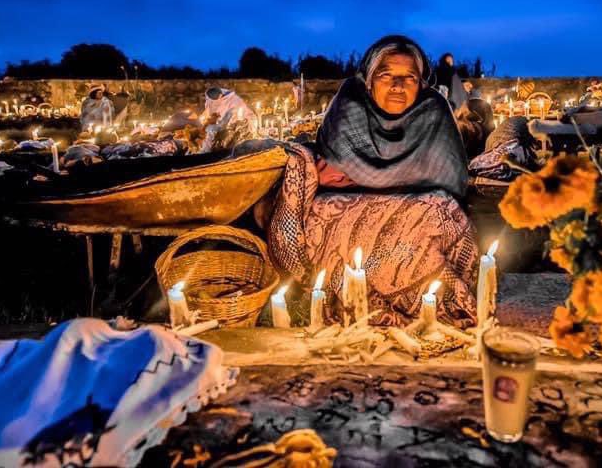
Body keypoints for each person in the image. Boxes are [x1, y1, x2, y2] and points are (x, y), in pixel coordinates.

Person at [268, 35, 477, 327]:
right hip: (348, 235)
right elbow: (330, 176)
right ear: (368, 80)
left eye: (409, 78)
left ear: (421, 84)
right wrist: (404, 191)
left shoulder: (434, 112)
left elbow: (452, 183)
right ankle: (367, 298)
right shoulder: (349, 108)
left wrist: (369, 187)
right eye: (386, 74)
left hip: (418, 226)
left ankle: (428, 298)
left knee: (437, 214)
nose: (397, 85)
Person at [199, 87, 256, 152]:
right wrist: (207, 119)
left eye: (215, 101)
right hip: (218, 123)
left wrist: (222, 124)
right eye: (211, 101)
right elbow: (208, 110)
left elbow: (237, 115)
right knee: (209, 132)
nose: (213, 104)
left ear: (221, 95)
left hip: (233, 124)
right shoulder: (209, 98)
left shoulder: (234, 100)